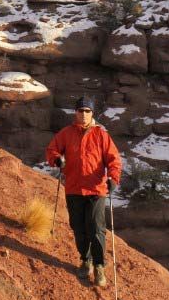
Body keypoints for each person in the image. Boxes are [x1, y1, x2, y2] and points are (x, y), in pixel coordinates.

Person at [45, 97, 123, 286]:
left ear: (92, 113)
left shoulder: (101, 135)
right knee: (78, 228)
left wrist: (113, 178)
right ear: (75, 112)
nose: (84, 114)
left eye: (87, 111)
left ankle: (99, 266)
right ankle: (85, 260)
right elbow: (51, 149)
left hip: (96, 189)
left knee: (96, 228)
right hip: (73, 188)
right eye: (80, 110)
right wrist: (56, 159)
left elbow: (114, 159)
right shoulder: (66, 133)